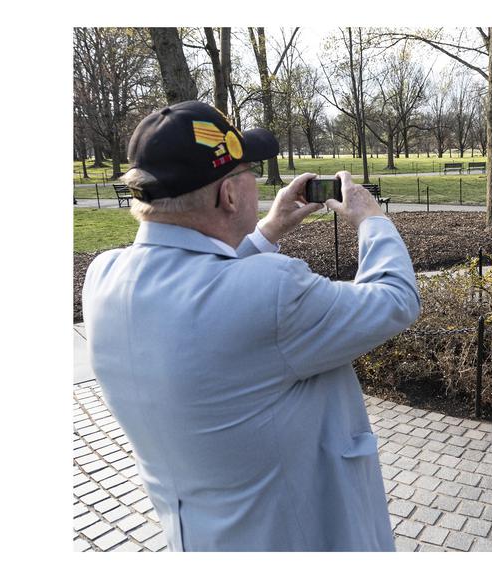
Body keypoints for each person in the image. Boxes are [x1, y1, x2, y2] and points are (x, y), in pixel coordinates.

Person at [82, 100, 421, 551]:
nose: (259, 185)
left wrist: (269, 229)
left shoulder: (104, 278)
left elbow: (204, 297)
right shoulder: (273, 291)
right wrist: (371, 220)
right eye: (250, 173)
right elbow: (395, 300)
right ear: (228, 195)